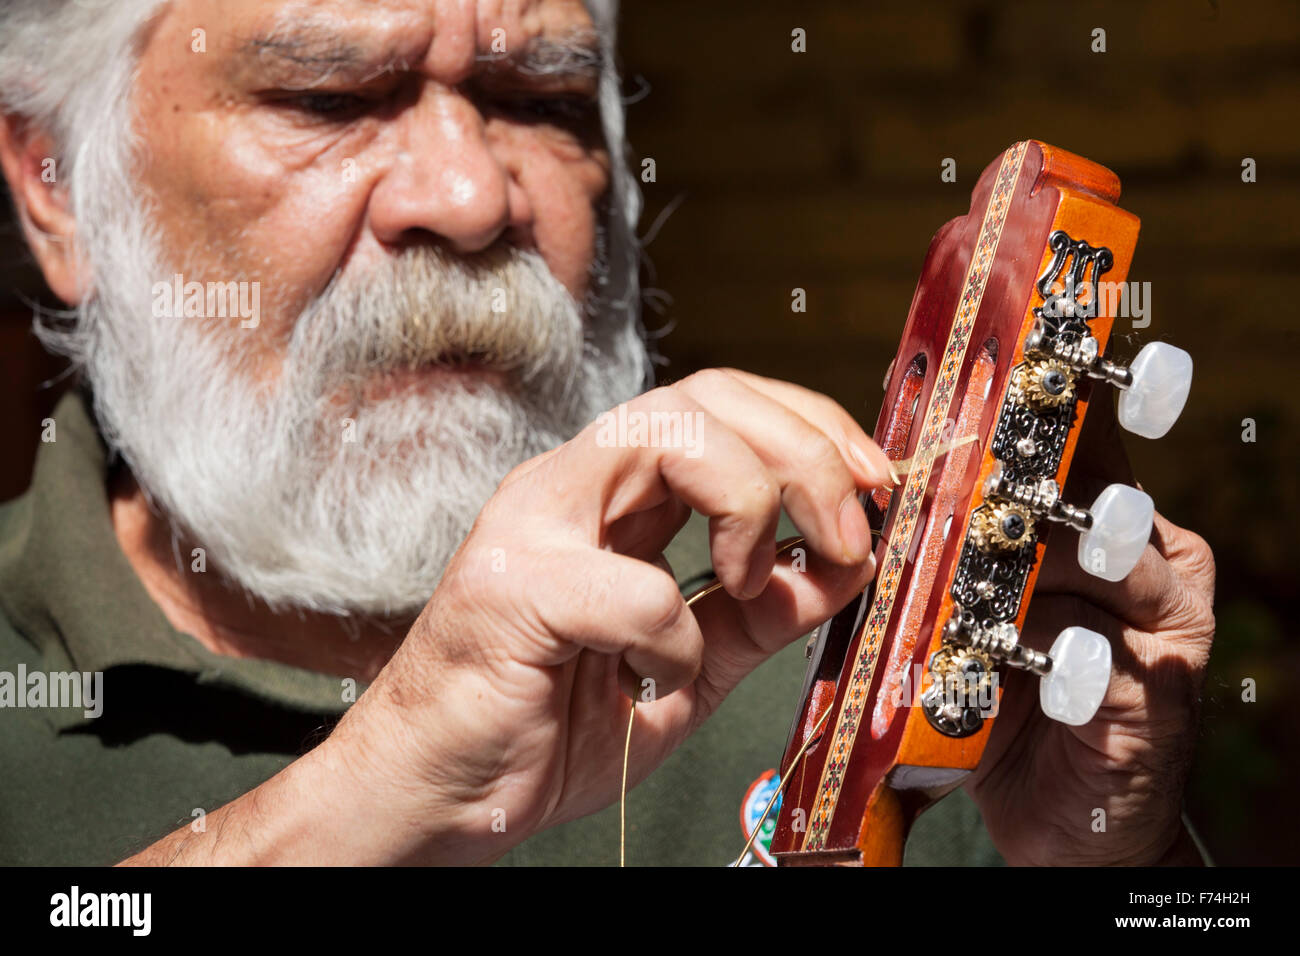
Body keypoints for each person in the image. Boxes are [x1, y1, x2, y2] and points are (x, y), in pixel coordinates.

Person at [0, 0, 1215, 866]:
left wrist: (1113, 860)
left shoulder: (812, 660)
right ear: (57, 180)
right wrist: (368, 797)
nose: (470, 199)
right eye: (330, 96)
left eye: (540, 100)